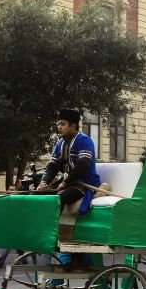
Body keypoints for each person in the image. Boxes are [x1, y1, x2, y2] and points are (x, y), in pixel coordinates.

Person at [37, 109, 101, 268]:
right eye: (58, 124)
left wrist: (65, 183)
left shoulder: (85, 141)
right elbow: (52, 166)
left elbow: (83, 165)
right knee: (40, 196)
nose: (59, 127)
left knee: (59, 199)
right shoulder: (60, 143)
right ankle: (47, 236)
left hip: (84, 184)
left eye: (62, 124)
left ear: (73, 126)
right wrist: (44, 182)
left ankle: (56, 238)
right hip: (67, 182)